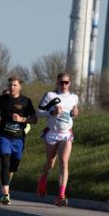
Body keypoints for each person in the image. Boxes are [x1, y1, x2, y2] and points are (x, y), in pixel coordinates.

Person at [0, 76, 37, 204]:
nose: (12, 87)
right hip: (4, 136)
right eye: (10, 85)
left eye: (15, 85)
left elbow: (34, 119)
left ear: (20, 87)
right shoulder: (2, 99)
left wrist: (22, 119)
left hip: (18, 138)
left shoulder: (26, 101)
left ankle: (4, 188)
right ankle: (6, 194)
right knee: (5, 161)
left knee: (13, 166)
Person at [37, 72, 79, 205]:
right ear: (57, 83)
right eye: (61, 82)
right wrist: (52, 112)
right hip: (52, 133)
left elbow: (73, 113)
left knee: (64, 162)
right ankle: (43, 179)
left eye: (66, 82)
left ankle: (61, 195)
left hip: (66, 133)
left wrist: (75, 113)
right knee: (50, 163)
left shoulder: (74, 97)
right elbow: (38, 113)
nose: (64, 85)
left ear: (69, 83)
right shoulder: (50, 95)